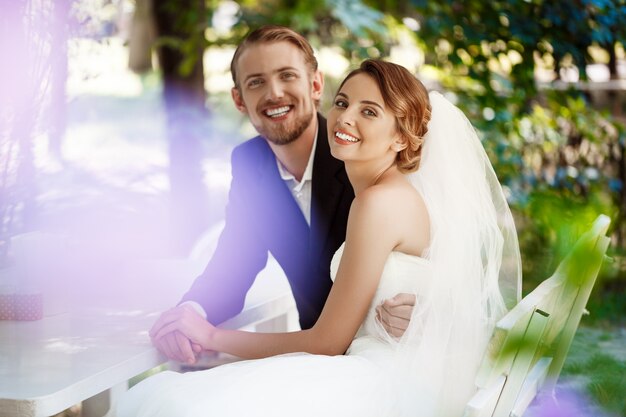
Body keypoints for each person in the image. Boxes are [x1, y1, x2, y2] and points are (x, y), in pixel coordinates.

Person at [119, 59, 522, 417]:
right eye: (343, 103)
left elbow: (328, 341)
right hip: (384, 367)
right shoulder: (393, 194)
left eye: (369, 111)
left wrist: (211, 337)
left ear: (401, 137)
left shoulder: (378, 203)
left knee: (174, 402)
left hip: (383, 381)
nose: (345, 119)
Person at [151, 26, 417, 365]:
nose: (274, 93)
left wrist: (428, 306)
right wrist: (188, 315)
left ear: (316, 85)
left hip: (376, 357)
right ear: (239, 100)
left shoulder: (368, 152)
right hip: (312, 358)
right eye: (256, 82)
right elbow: (233, 265)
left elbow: (434, 248)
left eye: (287, 75)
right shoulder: (250, 163)